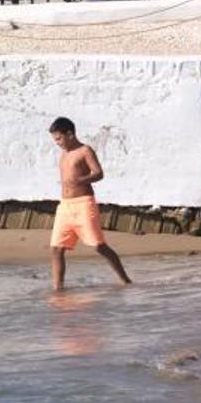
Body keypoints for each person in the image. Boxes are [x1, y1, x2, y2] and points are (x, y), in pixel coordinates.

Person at [47, 117, 131, 292]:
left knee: (99, 246)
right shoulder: (64, 154)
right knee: (56, 249)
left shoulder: (85, 151)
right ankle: (58, 289)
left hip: (84, 204)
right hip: (65, 206)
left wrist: (82, 180)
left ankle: (125, 280)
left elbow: (99, 173)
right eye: (55, 139)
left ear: (70, 134)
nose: (57, 143)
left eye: (59, 138)